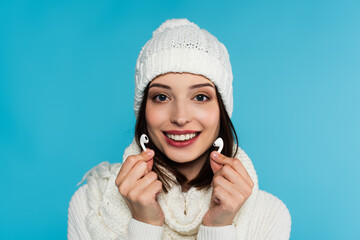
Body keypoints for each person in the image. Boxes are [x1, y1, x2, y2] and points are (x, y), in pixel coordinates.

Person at [67, 18, 291, 240]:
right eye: (162, 97)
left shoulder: (269, 216)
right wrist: (144, 225)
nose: (180, 117)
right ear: (143, 110)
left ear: (221, 111)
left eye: (201, 97)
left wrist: (218, 227)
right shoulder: (91, 204)